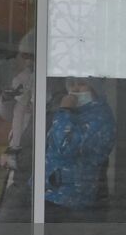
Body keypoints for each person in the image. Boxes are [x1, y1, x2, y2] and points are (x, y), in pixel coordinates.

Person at [42, 78, 116, 223]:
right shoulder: (77, 113)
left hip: (71, 199)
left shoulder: (100, 118)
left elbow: (65, 147)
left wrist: (65, 111)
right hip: (52, 192)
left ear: (95, 89)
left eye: (81, 84)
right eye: (71, 84)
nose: (75, 90)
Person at [0, 30, 37, 222]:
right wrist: (7, 98)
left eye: (32, 56)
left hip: (32, 148)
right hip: (19, 147)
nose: (28, 61)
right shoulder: (22, 78)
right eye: (25, 56)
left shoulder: (52, 82)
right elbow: (9, 115)